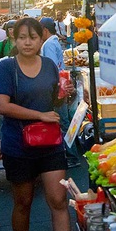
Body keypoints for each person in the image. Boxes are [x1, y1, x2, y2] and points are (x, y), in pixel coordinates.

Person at [0, 18, 71, 231]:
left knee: (58, 199)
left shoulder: (49, 65)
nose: (27, 43)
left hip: (51, 143)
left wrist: (66, 94)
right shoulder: (7, 67)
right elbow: (2, 106)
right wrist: (40, 116)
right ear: (14, 39)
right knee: (23, 202)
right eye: (22, 38)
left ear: (41, 38)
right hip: (18, 146)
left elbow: (54, 102)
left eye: (33, 38)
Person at [40, 17, 80, 168]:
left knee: (62, 123)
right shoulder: (54, 42)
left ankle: (72, 157)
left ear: (44, 29)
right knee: (63, 122)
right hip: (61, 86)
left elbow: (51, 69)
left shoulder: (49, 44)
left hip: (57, 88)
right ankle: (70, 155)